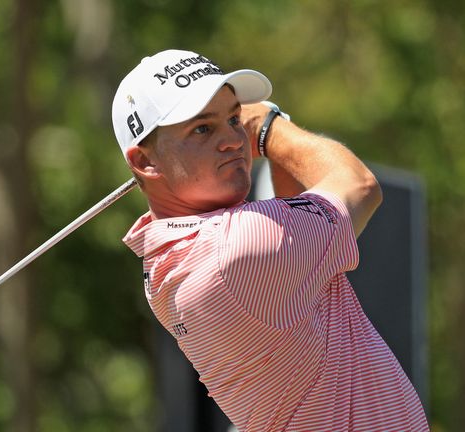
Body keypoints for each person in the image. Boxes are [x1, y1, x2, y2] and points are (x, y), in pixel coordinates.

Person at [112, 49, 429, 431]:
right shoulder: (237, 250)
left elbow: (290, 213)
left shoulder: (166, 257)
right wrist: (269, 127)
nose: (233, 139)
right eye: (202, 128)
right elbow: (359, 186)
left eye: (233, 118)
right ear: (145, 162)